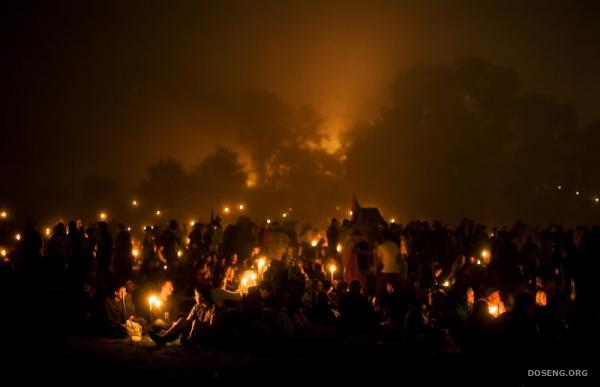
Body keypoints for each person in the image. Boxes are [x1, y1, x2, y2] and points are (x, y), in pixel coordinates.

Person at [150, 285, 220, 347]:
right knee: (182, 320)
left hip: (207, 337)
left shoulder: (214, 308)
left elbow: (213, 328)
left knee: (196, 322)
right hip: (195, 333)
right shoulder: (196, 307)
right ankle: (163, 339)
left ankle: (190, 341)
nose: (194, 297)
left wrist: (198, 325)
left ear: (202, 296)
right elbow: (187, 321)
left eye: (196, 295)